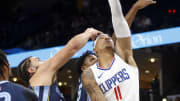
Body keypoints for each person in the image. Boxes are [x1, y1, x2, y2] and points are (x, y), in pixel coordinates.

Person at [78, 0, 156, 101]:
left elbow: (119, 23)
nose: (106, 38)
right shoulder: (89, 74)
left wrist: (134, 8)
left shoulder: (124, 56)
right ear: (95, 49)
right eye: (101, 38)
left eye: (108, 37)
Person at [17, 28, 102, 101]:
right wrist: (89, 33)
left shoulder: (40, 90)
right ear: (32, 70)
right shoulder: (40, 75)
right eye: (38, 60)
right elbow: (72, 47)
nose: (45, 61)